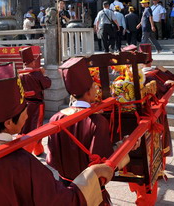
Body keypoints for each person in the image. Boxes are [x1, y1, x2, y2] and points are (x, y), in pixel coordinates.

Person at [0, 62, 114, 206]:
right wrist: (92, 174)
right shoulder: (22, 162)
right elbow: (61, 201)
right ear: (8, 123)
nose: (27, 116)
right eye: (23, 112)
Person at [48, 57, 133, 205]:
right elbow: (102, 162)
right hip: (88, 192)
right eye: (94, 86)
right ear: (88, 93)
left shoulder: (56, 118)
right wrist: (125, 147)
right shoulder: (97, 121)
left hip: (64, 188)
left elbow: (52, 158)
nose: (97, 89)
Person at [19, 47, 51, 156]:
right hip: (37, 105)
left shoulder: (20, 74)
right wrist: (43, 74)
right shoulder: (36, 74)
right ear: (32, 62)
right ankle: (31, 151)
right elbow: (47, 83)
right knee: (37, 128)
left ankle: (32, 149)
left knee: (25, 126)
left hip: (24, 104)